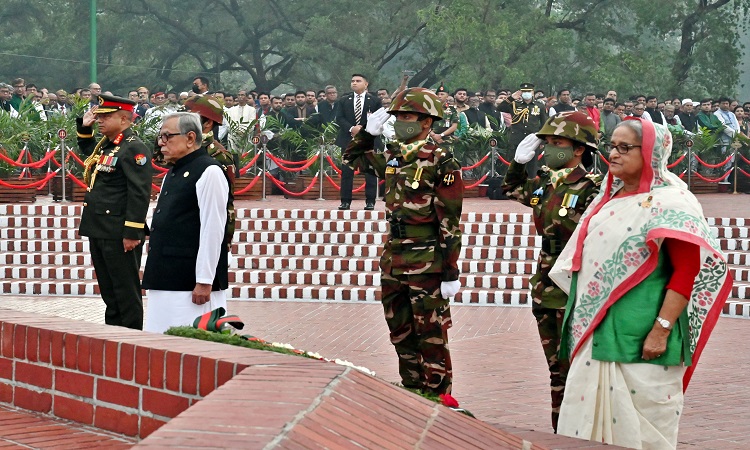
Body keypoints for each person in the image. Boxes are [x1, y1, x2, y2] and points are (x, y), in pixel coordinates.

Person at [548, 118, 732, 449]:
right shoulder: (607, 200)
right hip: (598, 332)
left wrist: (661, 329)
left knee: (645, 434)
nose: (613, 155)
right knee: (583, 426)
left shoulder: (672, 202)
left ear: (649, 152)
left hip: (645, 338)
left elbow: (686, 270)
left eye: (624, 147)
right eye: (611, 146)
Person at [342, 87, 463, 395]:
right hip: (394, 257)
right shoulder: (394, 157)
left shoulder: (441, 161)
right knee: (400, 332)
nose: (398, 123)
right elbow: (351, 158)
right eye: (396, 118)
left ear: (426, 122)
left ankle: (438, 396)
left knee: (431, 335)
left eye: (406, 117)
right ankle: (413, 391)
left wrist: (450, 272)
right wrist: (367, 135)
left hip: (427, 261)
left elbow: (450, 220)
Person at [501, 111, 602, 432]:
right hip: (545, 285)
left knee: (578, 367)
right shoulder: (545, 182)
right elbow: (512, 189)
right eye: (547, 143)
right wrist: (519, 163)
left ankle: (582, 432)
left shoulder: (593, 189)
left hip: (576, 285)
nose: (548, 149)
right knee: (556, 371)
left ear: (578, 149)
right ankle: (561, 432)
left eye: (557, 143)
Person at [142, 112, 230, 333]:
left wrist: (204, 279)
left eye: (167, 136)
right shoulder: (172, 173)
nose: (161, 143)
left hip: (190, 281)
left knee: (190, 346)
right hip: (165, 274)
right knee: (160, 340)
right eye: (160, 137)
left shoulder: (209, 171)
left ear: (190, 138)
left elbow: (213, 229)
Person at [76, 94, 153, 330]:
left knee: (125, 291)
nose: (99, 120)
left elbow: (139, 192)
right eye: (98, 116)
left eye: (105, 117)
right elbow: (90, 155)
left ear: (123, 119)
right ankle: (114, 335)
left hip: (119, 231)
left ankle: (130, 340)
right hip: (100, 228)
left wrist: (132, 231)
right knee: (110, 291)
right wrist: (84, 128)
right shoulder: (110, 145)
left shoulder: (134, 148)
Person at [183, 95, 237, 250]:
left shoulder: (218, 156)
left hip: (203, 234)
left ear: (208, 123)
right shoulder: (180, 150)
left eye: (189, 120)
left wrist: (225, 243)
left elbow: (226, 206)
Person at [335, 73, 382, 211]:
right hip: (348, 139)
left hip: (368, 140)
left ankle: (370, 201)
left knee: (370, 172)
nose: (354, 83)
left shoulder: (374, 100)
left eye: (358, 81)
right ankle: (345, 201)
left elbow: (378, 118)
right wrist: (352, 128)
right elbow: (339, 118)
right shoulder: (344, 100)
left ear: (366, 84)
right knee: (347, 172)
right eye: (353, 81)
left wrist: (364, 129)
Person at [498, 83, 548, 177]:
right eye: (524, 91)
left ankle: (530, 188)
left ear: (532, 92)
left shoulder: (539, 106)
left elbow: (544, 123)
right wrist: (511, 98)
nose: (526, 93)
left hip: (533, 139)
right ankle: (515, 187)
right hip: (517, 138)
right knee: (516, 165)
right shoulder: (515, 104)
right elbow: (500, 108)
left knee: (532, 167)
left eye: (528, 91)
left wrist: (542, 141)